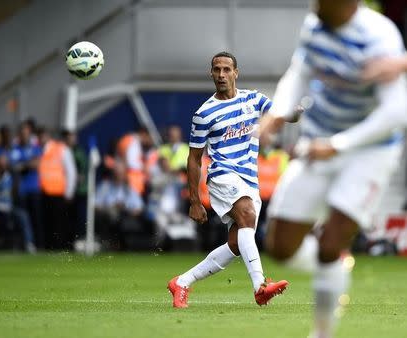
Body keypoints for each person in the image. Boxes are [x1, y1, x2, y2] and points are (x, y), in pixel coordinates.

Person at [259, 1, 407, 337]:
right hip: (317, 142)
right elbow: (300, 71)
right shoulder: (314, 25)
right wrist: (278, 112)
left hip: (369, 151)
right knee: (280, 247)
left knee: (331, 241)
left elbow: (397, 113)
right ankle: (336, 269)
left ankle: (322, 333)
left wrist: (338, 145)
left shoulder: (378, 37)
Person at [167, 51, 288, 309]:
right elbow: (194, 159)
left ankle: (182, 282)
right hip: (222, 176)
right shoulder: (204, 113)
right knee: (246, 215)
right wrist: (195, 201)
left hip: (249, 180)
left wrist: (297, 111)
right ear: (211, 73)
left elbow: (282, 115)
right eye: (216, 70)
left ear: (236, 72)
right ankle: (260, 287)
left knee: (235, 244)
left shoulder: (254, 99)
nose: (221, 75)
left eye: (226, 69)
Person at [0, 154, 36, 253]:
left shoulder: (10, 176)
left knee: (23, 215)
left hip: (8, 207)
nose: (2, 166)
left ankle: (29, 243)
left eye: (4, 163)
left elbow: (14, 192)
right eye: (0, 164)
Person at [37, 127, 77, 250]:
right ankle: (48, 246)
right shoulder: (37, 150)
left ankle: (60, 246)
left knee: (59, 222)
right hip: (43, 191)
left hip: (58, 192)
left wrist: (69, 192)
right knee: (46, 222)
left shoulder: (61, 149)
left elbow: (71, 171)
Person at [94, 161, 144, 250]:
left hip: (125, 216)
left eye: (120, 173)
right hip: (107, 216)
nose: (118, 176)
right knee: (113, 214)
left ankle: (122, 245)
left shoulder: (129, 189)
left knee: (121, 218)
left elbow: (139, 207)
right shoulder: (105, 187)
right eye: (116, 173)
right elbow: (96, 205)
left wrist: (127, 209)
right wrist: (111, 207)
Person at [14, 122, 44, 249]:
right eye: (22, 133)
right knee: (23, 219)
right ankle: (26, 243)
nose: (24, 136)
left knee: (36, 218)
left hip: (34, 188)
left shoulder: (35, 147)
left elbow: (37, 164)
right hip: (21, 190)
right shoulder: (15, 149)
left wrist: (24, 165)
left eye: (26, 133)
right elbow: (14, 166)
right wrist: (29, 163)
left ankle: (40, 244)